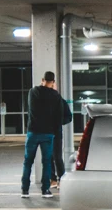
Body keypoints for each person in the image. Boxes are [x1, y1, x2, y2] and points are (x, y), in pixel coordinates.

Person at [21, 71, 66, 199]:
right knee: (46, 162)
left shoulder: (33, 92)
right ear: (53, 82)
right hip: (48, 134)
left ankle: (25, 190)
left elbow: (30, 109)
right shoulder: (55, 96)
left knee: (28, 161)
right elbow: (59, 116)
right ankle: (45, 190)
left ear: (43, 79)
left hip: (33, 132)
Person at [50, 91, 73, 190]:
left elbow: (69, 117)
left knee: (57, 156)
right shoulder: (42, 102)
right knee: (48, 157)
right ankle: (52, 179)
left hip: (56, 133)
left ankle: (61, 179)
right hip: (45, 132)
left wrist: (59, 122)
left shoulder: (61, 101)